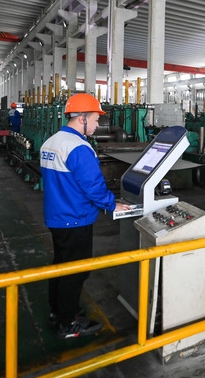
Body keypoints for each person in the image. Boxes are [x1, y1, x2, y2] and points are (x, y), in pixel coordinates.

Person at [40, 93, 130, 338]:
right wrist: (111, 205)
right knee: (75, 271)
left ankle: (58, 312)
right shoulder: (79, 147)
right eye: (95, 119)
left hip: (57, 216)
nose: (98, 125)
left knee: (60, 266)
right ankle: (68, 323)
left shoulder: (51, 142)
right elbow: (93, 186)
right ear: (82, 118)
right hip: (74, 218)